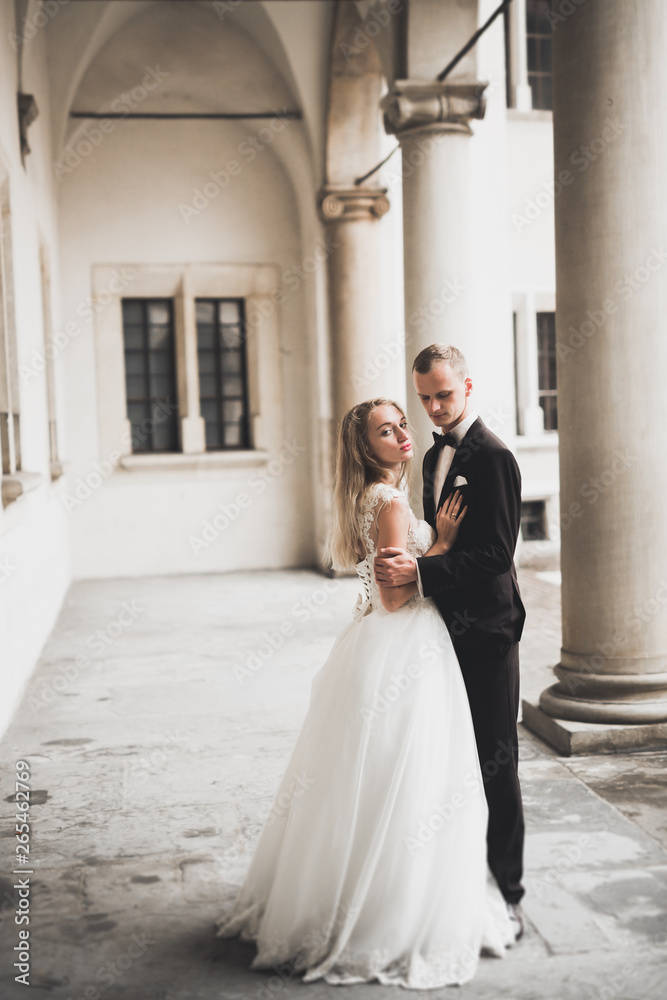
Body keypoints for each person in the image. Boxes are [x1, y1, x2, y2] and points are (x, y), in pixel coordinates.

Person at [216, 396, 514, 989]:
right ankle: (391, 914)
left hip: (381, 643)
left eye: (402, 423)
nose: (402, 434)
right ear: (364, 446)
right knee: (412, 779)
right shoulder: (390, 503)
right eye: (386, 430)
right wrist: (442, 544)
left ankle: (365, 893)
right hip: (405, 645)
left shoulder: (374, 497)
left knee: (378, 780)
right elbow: (396, 597)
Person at [374, 345, 526, 938]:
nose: (435, 408)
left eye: (444, 395)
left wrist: (421, 573)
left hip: (487, 631)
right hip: (440, 630)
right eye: (425, 398)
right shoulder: (432, 454)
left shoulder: (494, 457)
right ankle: (458, 882)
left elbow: (496, 555)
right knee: (451, 759)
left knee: (496, 762)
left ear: (467, 386)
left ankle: (507, 892)